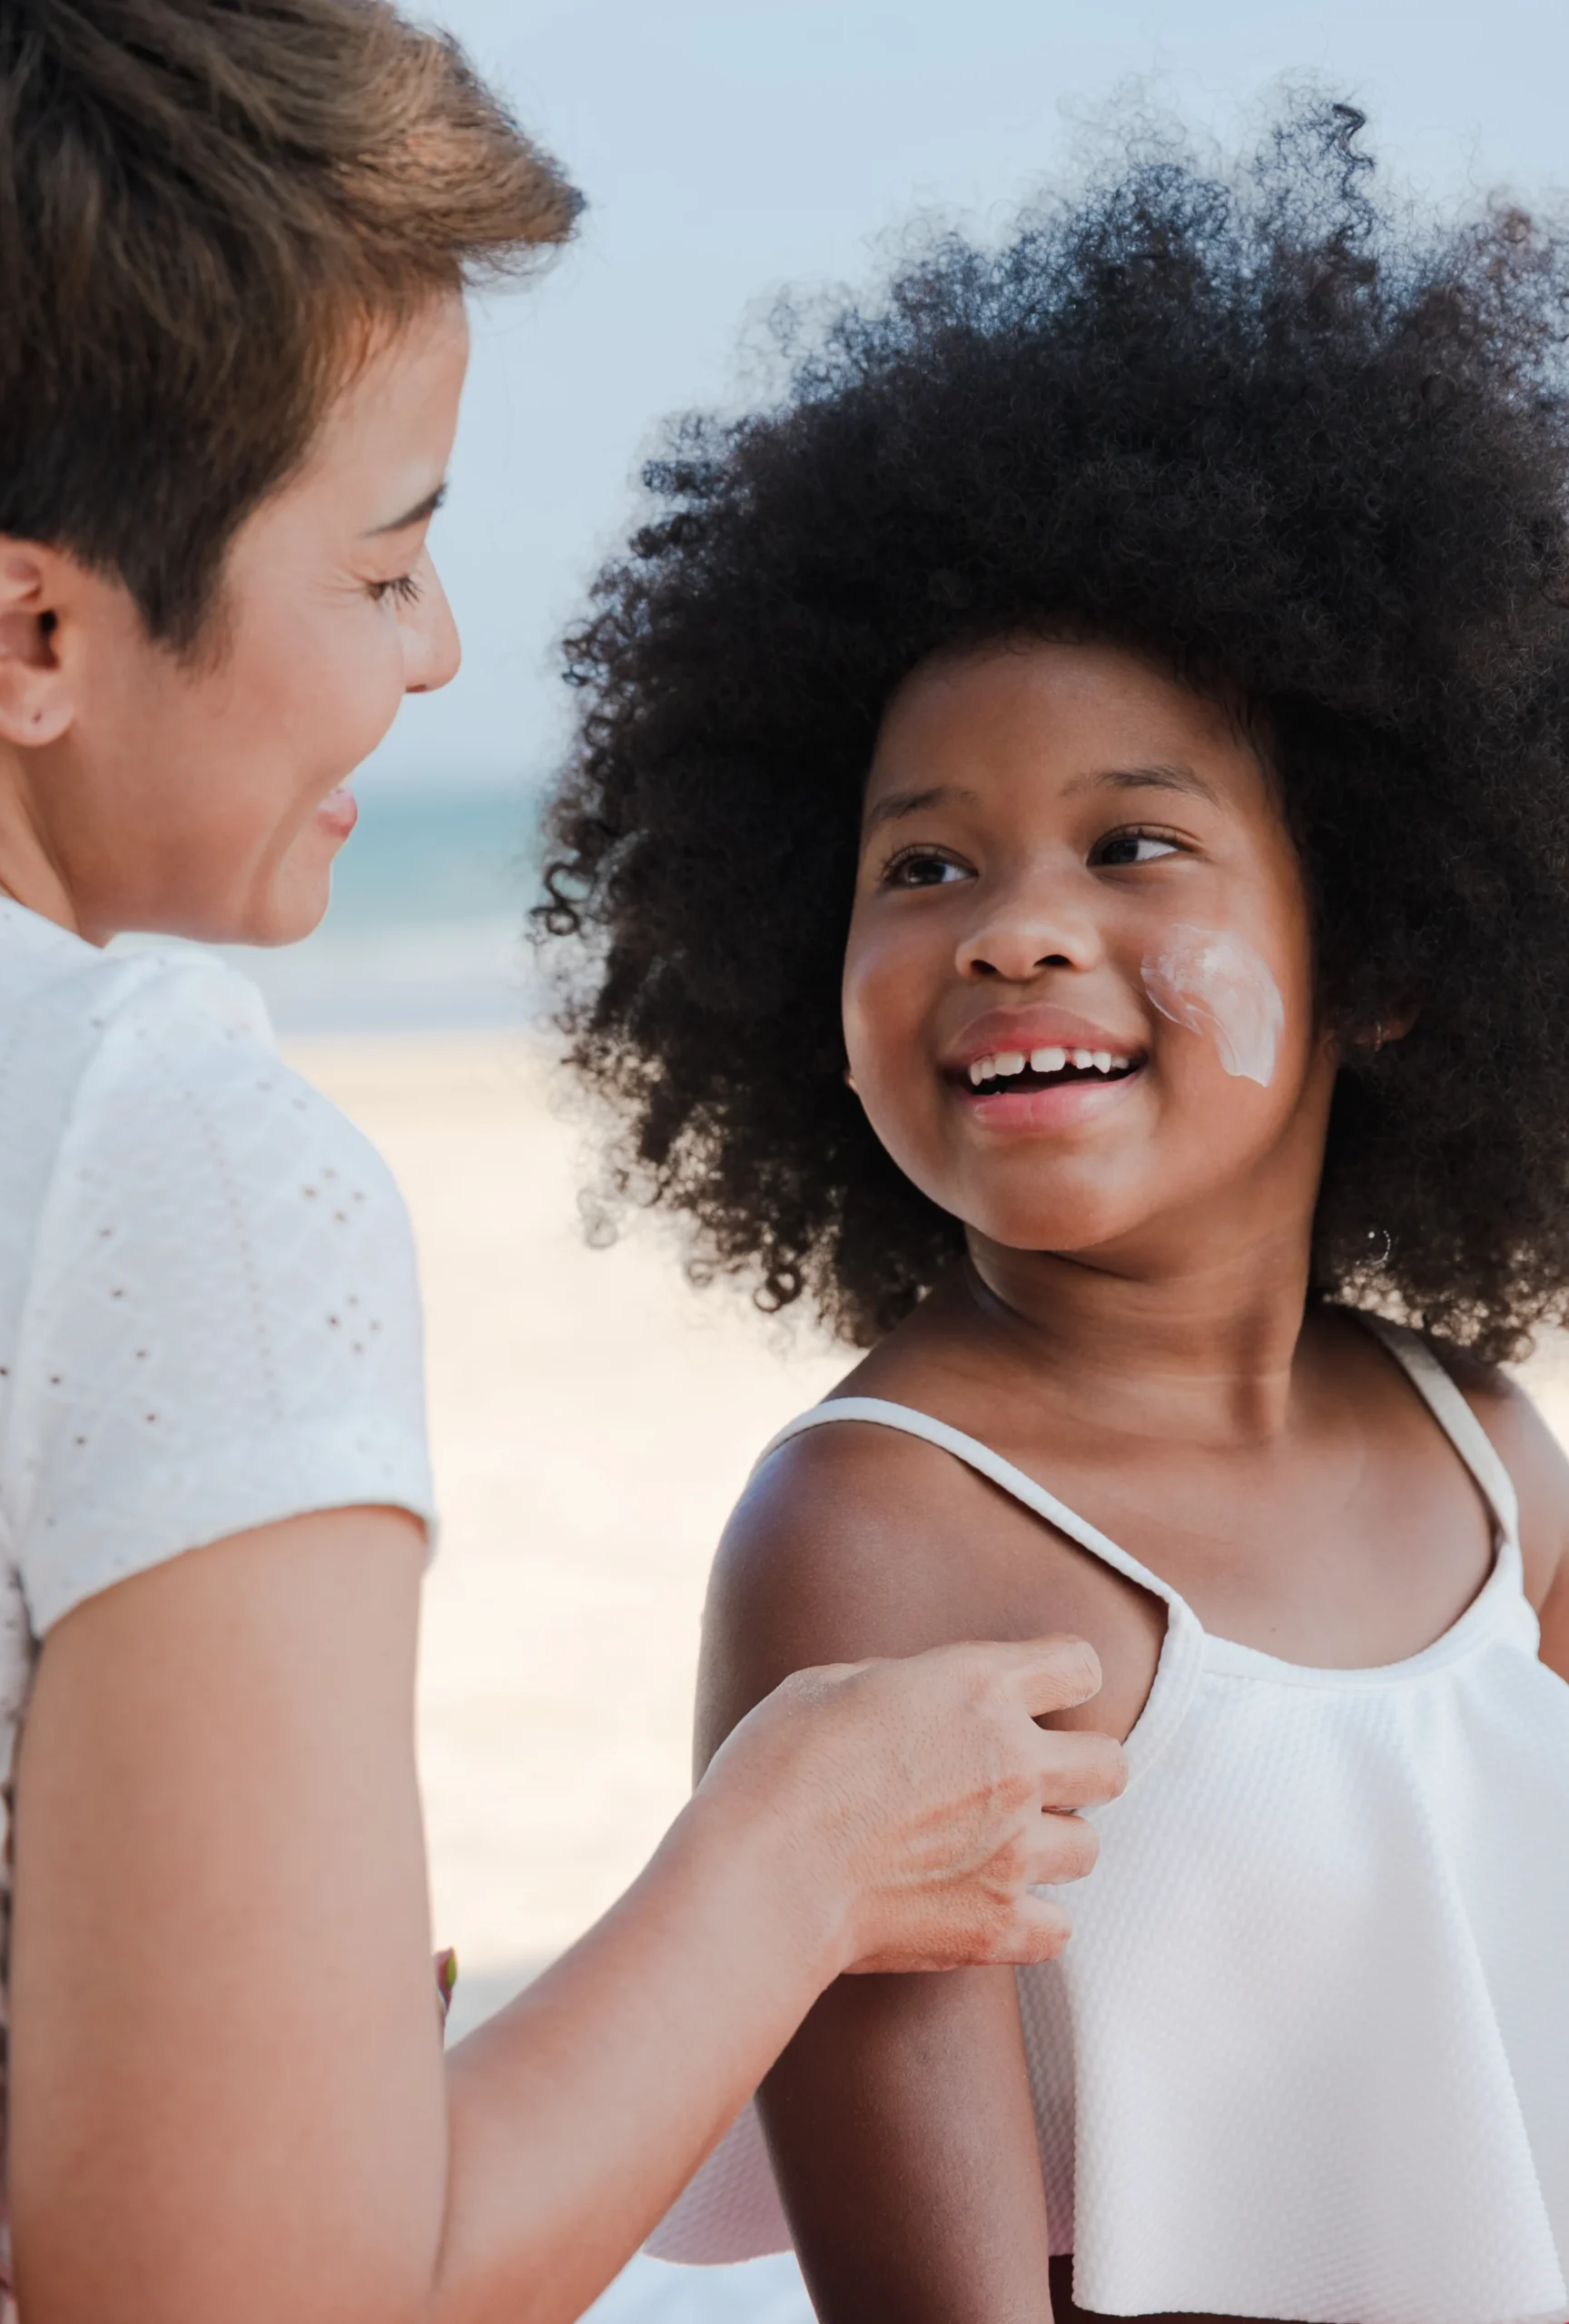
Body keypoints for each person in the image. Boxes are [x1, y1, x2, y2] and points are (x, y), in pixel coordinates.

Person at [0, 7, 1130, 2324]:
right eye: (383, 561)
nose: (438, 652)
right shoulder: (144, 1141)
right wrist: (794, 1851)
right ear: (27, 631)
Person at [539, 104, 1569, 2323]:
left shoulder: (1492, 1452)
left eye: (1131, 845)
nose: (1013, 929)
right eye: (924, 863)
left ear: (1386, 950)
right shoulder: (879, 1537)